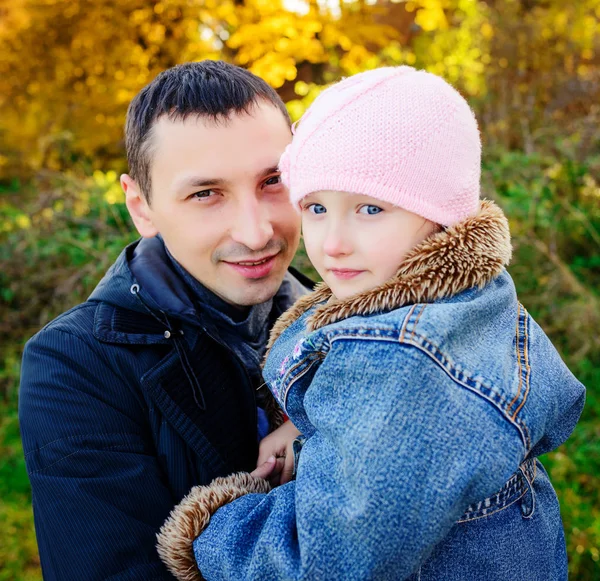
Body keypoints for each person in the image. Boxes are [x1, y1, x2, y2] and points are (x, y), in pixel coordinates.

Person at [157, 66, 586, 581]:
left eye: (369, 208)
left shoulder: (401, 355)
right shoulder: (470, 299)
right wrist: (302, 439)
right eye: (315, 207)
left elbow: (329, 561)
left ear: (438, 213)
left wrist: (214, 531)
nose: (332, 241)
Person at [18, 60, 312, 580]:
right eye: (206, 194)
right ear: (142, 206)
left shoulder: (348, 319)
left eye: (273, 181)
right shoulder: (74, 366)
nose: (255, 230)